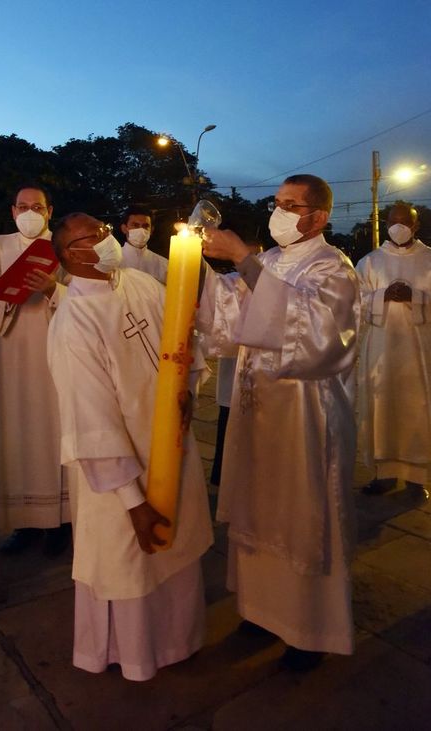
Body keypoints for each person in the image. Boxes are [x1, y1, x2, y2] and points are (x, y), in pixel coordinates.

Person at [198, 174, 360, 672]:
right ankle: (260, 609)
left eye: (292, 204)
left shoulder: (334, 267)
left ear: (319, 217)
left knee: (299, 510)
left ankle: (307, 628)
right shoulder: (268, 261)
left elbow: (318, 335)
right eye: (278, 202)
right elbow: (224, 320)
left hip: (304, 414)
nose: (281, 211)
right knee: (257, 502)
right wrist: (200, 261)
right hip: (256, 408)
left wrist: (243, 262)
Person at [47, 213, 213, 681]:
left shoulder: (139, 282)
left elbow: (184, 343)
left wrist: (189, 395)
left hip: (170, 448)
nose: (105, 239)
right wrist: (133, 502)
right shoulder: (72, 322)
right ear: (69, 256)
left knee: (175, 554)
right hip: (119, 475)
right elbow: (91, 419)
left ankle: (181, 640)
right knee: (127, 566)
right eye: (91, 237)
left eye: (103, 230)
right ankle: (132, 654)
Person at [0, 183, 71, 557]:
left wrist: (51, 290)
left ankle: (63, 520)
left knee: (57, 431)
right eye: (23, 206)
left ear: (49, 211)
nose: (30, 212)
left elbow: (86, 295)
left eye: (38, 206)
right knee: (18, 434)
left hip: (58, 353)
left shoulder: (64, 246)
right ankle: (27, 524)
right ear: (13, 211)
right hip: (13, 357)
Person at [356, 203, 431, 497]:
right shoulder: (371, 262)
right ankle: (384, 474)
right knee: (381, 407)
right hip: (381, 348)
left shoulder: (428, 259)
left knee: (418, 407)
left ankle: (417, 478)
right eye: (392, 221)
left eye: (404, 222)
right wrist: (381, 295)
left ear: (416, 225)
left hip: (420, 350)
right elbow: (354, 300)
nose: (397, 226)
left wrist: (417, 297)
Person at [210, 239, 263, 486]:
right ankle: (223, 474)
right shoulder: (233, 282)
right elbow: (215, 302)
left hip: (264, 374)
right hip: (235, 368)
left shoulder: (272, 284)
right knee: (228, 422)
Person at [119, 205, 168, 284]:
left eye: (145, 226)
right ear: (124, 228)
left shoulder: (163, 265)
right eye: (135, 225)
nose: (141, 230)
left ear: (151, 230)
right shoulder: (113, 261)